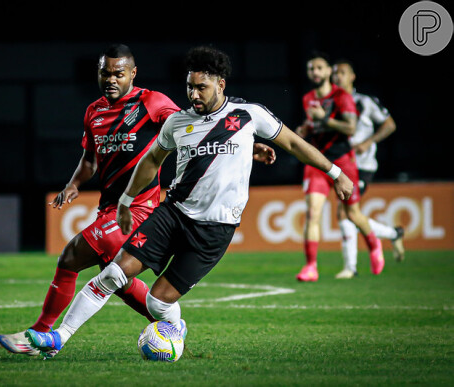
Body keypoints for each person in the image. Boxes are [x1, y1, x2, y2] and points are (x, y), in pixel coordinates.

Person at [23, 45, 355, 359]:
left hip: (215, 229)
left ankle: (173, 328)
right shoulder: (178, 122)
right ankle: (59, 337)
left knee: (157, 302)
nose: (194, 94)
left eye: (201, 87)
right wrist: (125, 201)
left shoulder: (248, 115)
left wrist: (335, 171)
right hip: (173, 214)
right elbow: (150, 162)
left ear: (220, 84)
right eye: (189, 87)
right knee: (114, 273)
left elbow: (295, 145)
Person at [0, 44, 180, 356]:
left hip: (138, 209)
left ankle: (40, 336)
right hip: (108, 209)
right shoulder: (94, 111)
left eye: (118, 74)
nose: (111, 79)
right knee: (118, 280)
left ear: (132, 74)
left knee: (69, 258)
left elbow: (184, 126)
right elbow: (90, 160)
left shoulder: (151, 101)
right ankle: (170, 324)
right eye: (105, 73)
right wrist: (73, 185)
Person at [295, 52, 384, 282]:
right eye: (311, 68)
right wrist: (305, 130)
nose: (314, 72)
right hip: (317, 162)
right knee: (312, 213)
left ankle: (374, 243)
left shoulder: (342, 96)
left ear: (328, 72)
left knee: (352, 214)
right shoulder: (307, 98)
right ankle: (311, 267)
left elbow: (350, 128)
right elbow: (314, 126)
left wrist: (324, 119)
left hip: (343, 162)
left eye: (319, 68)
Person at [332, 59, 405, 279]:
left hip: (361, 165)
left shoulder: (364, 102)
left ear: (352, 76)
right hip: (342, 164)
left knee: (344, 212)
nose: (337, 76)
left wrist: (369, 142)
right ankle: (393, 233)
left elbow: (389, 124)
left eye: (343, 72)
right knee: (348, 213)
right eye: (335, 73)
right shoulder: (330, 103)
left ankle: (350, 267)